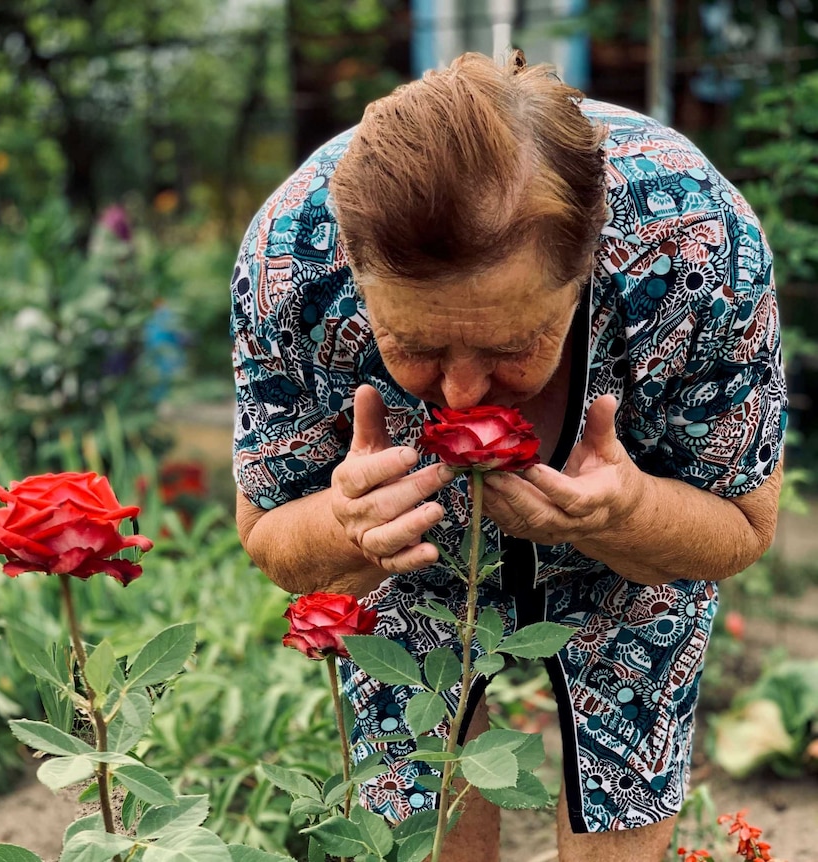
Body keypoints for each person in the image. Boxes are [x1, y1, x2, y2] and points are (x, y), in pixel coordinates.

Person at [230, 51, 786, 862]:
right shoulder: (291, 261)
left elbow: (743, 524)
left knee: (633, 726)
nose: (458, 392)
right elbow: (269, 533)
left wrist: (628, 516)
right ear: (354, 271)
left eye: (512, 344)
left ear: (587, 266)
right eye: (411, 344)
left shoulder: (697, 247)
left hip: (634, 577)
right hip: (408, 575)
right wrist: (348, 529)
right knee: (422, 820)